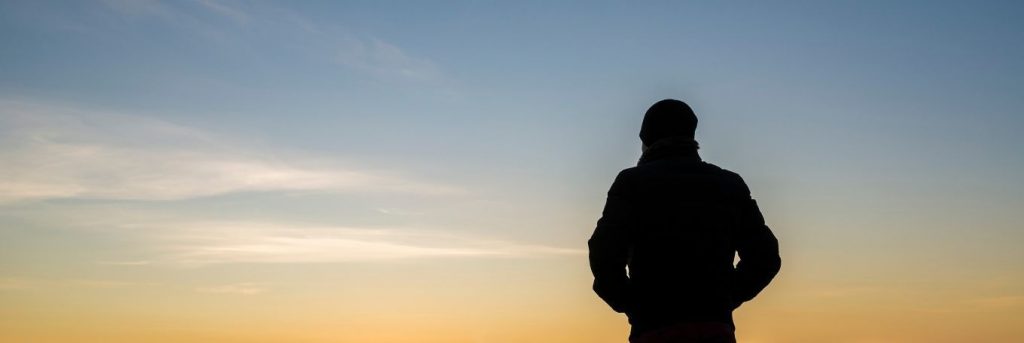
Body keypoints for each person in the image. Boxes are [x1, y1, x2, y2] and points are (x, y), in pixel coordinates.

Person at [588, 99, 781, 343]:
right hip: (715, 330)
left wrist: (636, 306)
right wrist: (722, 300)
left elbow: (604, 257)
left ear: (646, 140)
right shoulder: (729, 184)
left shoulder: (631, 184)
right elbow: (765, 257)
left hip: (654, 331)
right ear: (691, 136)